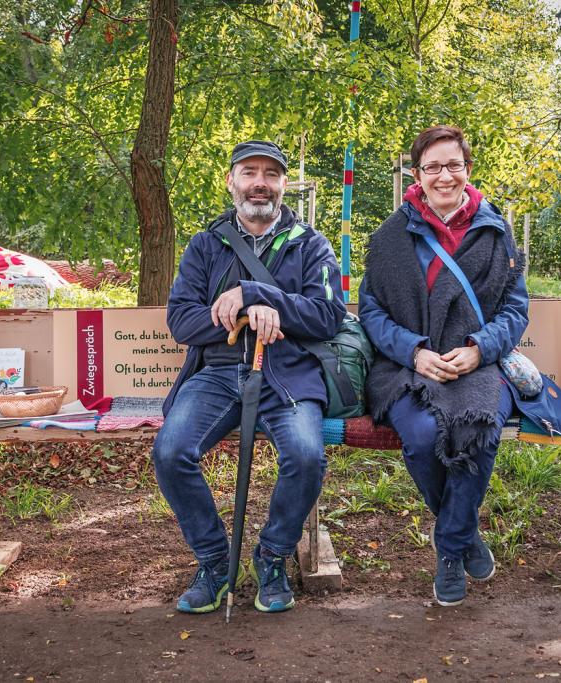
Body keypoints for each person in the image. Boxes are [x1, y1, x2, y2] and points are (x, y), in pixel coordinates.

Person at [154, 140, 346, 615]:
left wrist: (260, 295)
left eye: (271, 174)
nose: (260, 182)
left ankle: (273, 556)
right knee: (171, 452)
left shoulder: (311, 245)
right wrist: (240, 317)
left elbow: (327, 317)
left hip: (289, 376)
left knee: (305, 456)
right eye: (249, 172)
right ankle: (215, 562)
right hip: (217, 374)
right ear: (232, 181)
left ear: (283, 185)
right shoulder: (206, 244)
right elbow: (181, 321)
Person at [359, 125, 530, 607]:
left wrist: (480, 347)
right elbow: (370, 311)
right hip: (409, 364)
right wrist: (414, 351)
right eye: (432, 166)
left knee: (479, 430)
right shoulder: (391, 236)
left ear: (468, 170)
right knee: (417, 436)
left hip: (477, 362)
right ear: (417, 174)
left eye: (453, 164)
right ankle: (465, 534)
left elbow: (515, 309)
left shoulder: (496, 230)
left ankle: (450, 550)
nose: (444, 175)